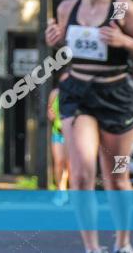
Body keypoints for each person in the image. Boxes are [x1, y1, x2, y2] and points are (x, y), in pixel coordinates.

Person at [45, 0, 133, 253]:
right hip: (78, 93)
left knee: (116, 176)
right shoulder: (68, 7)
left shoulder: (122, 8)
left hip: (117, 95)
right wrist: (53, 40)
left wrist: (123, 40)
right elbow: (63, 45)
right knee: (81, 175)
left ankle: (123, 243)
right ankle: (92, 248)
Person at [49, 71, 71, 204]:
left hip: (71, 135)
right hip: (58, 132)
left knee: (69, 165)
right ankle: (60, 190)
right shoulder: (55, 94)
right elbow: (50, 111)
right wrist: (52, 115)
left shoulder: (76, 94)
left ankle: (69, 191)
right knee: (58, 162)